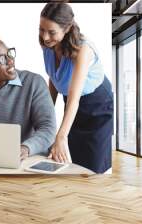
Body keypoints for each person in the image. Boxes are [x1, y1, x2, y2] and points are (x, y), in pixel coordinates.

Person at [39, 3, 114, 173]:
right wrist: (46, 114)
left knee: (93, 166)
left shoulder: (83, 50)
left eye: (51, 32)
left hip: (97, 105)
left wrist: (61, 135)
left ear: (67, 29)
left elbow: (74, 100)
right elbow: (54, 77)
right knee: (72, 161)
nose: (45, 37)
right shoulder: (47, 44)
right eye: (41, 29)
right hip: (73, 103)